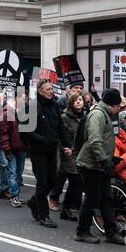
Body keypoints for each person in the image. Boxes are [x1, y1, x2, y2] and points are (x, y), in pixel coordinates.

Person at [75, 88, 125, 245]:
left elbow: (104, 140)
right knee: (91, 199)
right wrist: (104, 161)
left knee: (106, 199)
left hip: (99, 164)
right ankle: (82, 232)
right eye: (119, 106)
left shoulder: (104, 114)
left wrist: (110, 159)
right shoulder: (98, 115)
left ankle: (111, 233)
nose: (120, 110)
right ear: (113, 105)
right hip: (90, 164)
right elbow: (95, 140)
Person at [25, 79, 72, 229]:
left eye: (51, 88)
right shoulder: (32, 107)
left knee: (52, 181)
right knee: (42, 182)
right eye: (48, 89)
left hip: (52, 150)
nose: (51, 91)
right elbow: (26, 130)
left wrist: (66, 144)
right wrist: (44, 140)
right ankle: (44, 215)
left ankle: (34, 201)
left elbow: (60, 126)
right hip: (38, 151)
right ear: (40, 91)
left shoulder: (55, 106)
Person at [49, 94, 85, 221]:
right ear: (71, 103)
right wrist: (66, 149)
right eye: (76, 100)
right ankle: (84, 213)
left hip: (80, 152)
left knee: (74, 183)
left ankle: (65, 209)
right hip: (67, 153)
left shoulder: (84, 117)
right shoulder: (64, 117)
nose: (79, 102)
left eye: (80, 100)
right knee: (77, 182)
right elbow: (61, 135)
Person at [0, 96, 27, 208]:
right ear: (16, 98)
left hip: (21, 148)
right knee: (12, 173)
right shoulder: (6, 114)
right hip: (11, 149)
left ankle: (17, 195)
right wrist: (7, 149)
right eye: (22, 98)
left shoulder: (22, 113)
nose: (24, 101)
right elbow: (4, 134)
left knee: (18, 175)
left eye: (25, 99)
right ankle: (14, 196)